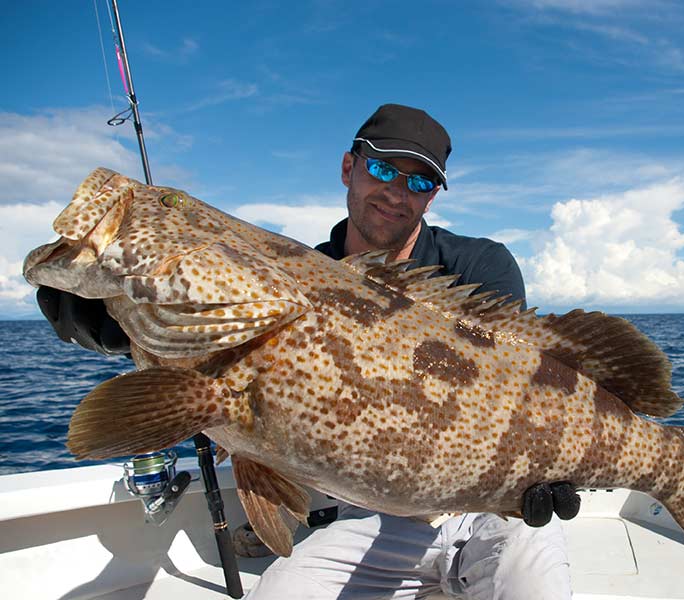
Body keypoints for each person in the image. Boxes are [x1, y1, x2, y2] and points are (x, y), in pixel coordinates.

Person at [37, 104, 579, 600]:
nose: (396, 192)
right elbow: (180, 333)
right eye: (383, 170)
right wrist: (108, 311)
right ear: (349, 167)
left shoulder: (480, 268)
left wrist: (547, 473)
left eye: (417, 182)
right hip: (368, 516)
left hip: (490, 510)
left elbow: (519, 388)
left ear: (432, 197)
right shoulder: (290, 272)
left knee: (534, 580)